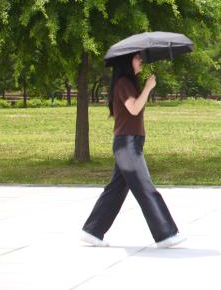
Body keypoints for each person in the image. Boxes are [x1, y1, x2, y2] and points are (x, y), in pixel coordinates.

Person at [80, 52, 186, 248]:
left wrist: (145, 87)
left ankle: (92, 231)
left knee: (115, 190)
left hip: (131, 142)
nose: (141, 61)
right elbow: (134, 108)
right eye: (137, 58)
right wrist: (148, 88)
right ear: (127, 62)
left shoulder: (129, 83)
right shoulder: (123, 83)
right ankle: (166, 234)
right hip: (127, 144)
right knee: (145, 187)